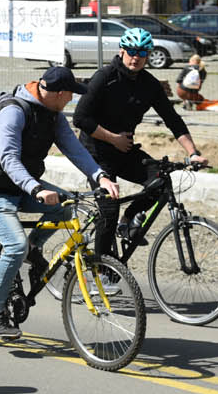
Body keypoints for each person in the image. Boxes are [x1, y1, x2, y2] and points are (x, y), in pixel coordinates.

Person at [0, 66, 119, 340]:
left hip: (22, 187)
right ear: (59, 94)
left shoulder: (53, 115)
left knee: (65, 206)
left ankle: (33, 248)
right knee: (14, 245)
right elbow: (9, 159)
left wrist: (100, 177)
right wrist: (36, 188)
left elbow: (74, 149)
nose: (73, 100)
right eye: (71, 95)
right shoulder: (13, 112)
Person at [73, 27, 208, 263]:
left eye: (142, 52)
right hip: (95, 152)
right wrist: (113, 138)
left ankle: (128, 221)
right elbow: (80, 119)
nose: (136, 57)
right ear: (122, 50)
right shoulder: (104, 77)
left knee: (159, 180)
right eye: (132, 51)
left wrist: (193, 153)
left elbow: (172, 119)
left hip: (124, 150)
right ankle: (101, 269)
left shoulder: (149, 84)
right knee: (108, 208)